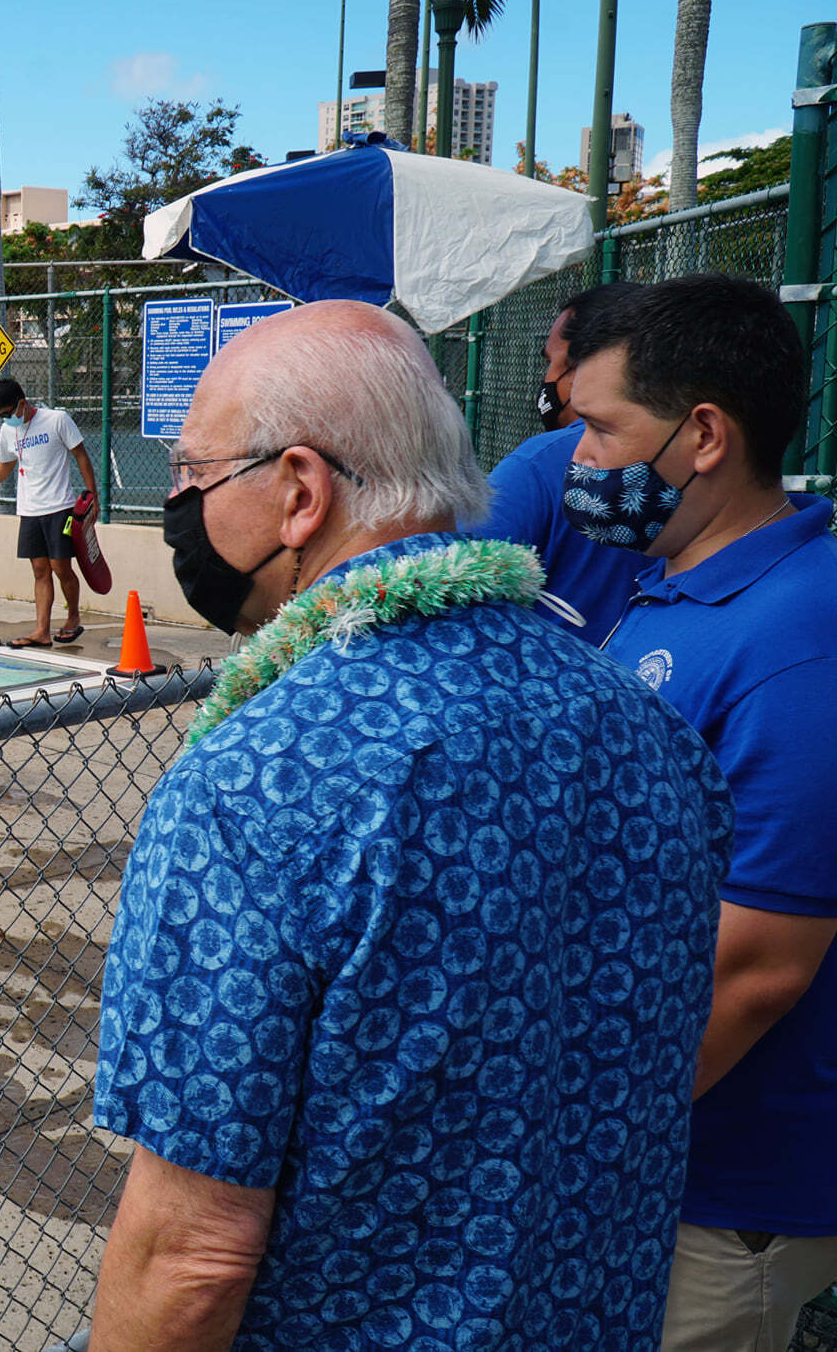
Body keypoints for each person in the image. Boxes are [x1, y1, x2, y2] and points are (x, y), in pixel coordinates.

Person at [88, 300, 736, 1349]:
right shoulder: (639, 723)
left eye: (191, 475)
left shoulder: (262, 779)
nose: (177, 506)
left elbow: (190, 1255)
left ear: (299, 490)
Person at [492, 275, 837, 1351]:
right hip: (653, 1155)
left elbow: (758, 965)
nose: (576, 460)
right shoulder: (679, 586)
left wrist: (575, 1139)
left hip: (712, 1188)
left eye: (598, 428)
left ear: (701, 435)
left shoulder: (796, 641)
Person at [466, 282, 651, 643]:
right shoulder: (686, 458)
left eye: (553, 362)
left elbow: (456, 592)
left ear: (586, 366)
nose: (548, 379)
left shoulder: (538, 465)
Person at [0, 376, 97, 647]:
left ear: (22, 403)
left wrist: (92, 498)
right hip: (29, 510)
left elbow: (81, 456)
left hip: (59, 507)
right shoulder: (8, 431)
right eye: (0, 416)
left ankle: (73, 617)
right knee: (40, 570)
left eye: (8, 413)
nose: (6, 419)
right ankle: (41, 631)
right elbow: (6, 465)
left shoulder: (57, 420)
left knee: (61, 567)